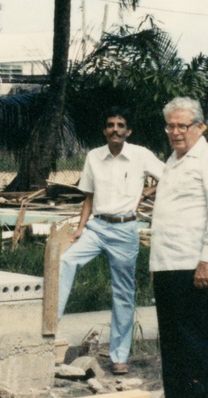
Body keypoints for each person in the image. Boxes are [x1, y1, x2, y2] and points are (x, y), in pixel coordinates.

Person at [57, 107, 164, 375]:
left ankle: (119, 356)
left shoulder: (140, 155)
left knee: (123, 294)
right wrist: (80, 228)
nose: (115, 129)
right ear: (104, 130)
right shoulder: (94, 156)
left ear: (128, 131)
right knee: (65, 261)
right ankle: (50, 335)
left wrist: (149, 190)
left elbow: (172, 176)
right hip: (97, 227)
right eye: (110, 125)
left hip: (125, 230)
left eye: (120, 125)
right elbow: (88, 197)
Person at [150, 97, 208, 398]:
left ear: (200, 127)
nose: (175, 132)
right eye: (170, 126)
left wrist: (207, 261)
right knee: (171, 338)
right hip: (167, 263)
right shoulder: (171, 161)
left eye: (181, 126)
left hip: (192, 263)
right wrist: (155, 266)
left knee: (195, 337)